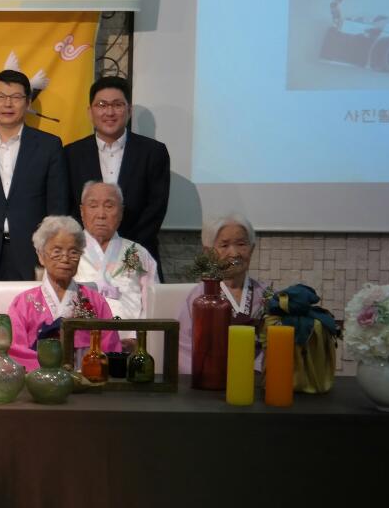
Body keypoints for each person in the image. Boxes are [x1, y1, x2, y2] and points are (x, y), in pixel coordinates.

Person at [0, 69, 69, 283]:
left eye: (16, 97)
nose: (8, 104)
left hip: (34, 253)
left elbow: (58, 205)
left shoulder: (49, 146)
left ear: (28, 102)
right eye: (1, 96)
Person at [64, 76, 171, 266]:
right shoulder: (71, 154)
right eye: (102, 105)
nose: (109, 112)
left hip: (138, 255)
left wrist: (124, 248)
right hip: (86, 257)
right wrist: (91, 246)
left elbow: (156, 208)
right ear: (90, 112)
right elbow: (68, 206)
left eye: (117, 105)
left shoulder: (154, 152)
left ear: (129, 111)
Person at [7, 215, 121, 371]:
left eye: (73, 252)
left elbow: (110, 347)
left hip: (86, 378)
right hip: (39, 378)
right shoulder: (22, 303)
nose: (65, 259)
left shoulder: (96, 301)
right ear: (41, 256)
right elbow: (15, 350)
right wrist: (51, 371)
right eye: (57, 251)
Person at [178, 212, 268, 373]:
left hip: (257, 380)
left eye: (241, 244)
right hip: (210, 380)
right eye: (224, 245)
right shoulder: (198, 298)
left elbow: (274, 348)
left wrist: (254, 373)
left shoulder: (267, 296)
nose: (234, 253)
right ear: (208, 253)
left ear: (252, 249)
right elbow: (184, 349)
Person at [74, 180, 158, 323]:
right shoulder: (68, 250)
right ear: (82, 211)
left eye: (109, 206)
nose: (101, 214)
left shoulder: (137, 252)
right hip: (81, 333)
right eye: (93, 206)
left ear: (121, 212)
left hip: (132, 334)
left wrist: (139, 334)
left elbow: (153, 303)